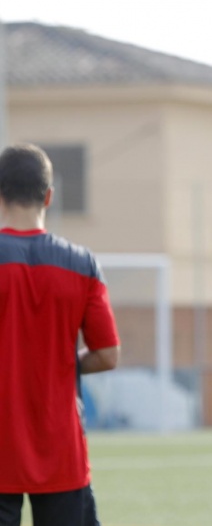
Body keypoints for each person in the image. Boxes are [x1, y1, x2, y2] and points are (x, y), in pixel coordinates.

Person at [0, 144, 121, 526]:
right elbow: (107, 354)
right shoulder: (82, 264)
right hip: (61, 447)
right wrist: (63, 364)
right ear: (49, 196)